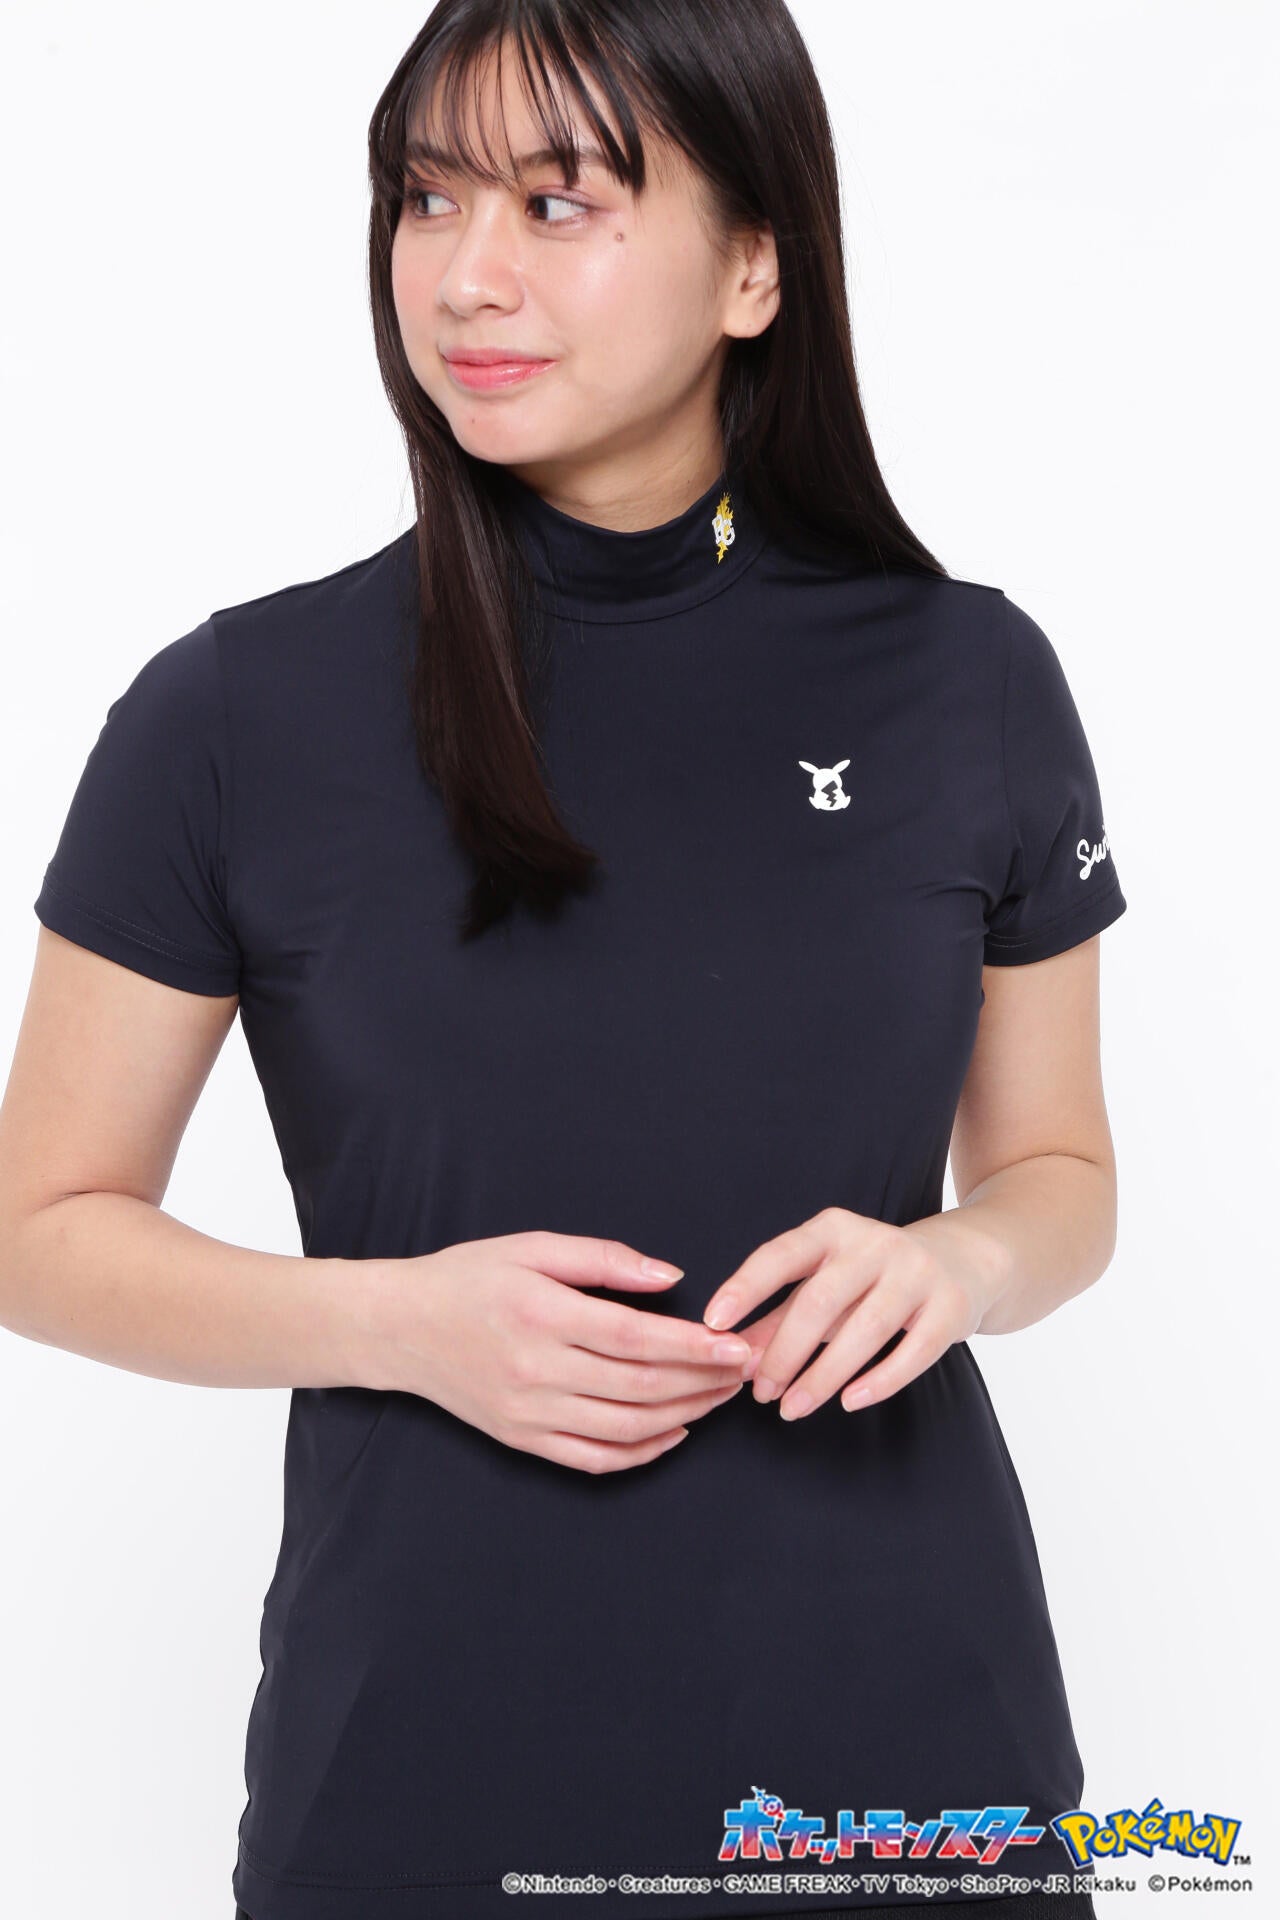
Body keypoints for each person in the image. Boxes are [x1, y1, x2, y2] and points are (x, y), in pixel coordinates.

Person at [0, 3, 1129, 1918]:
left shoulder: (970, 679)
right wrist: (396, 1325)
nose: (467, 275)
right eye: (426, 197)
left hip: (904, 1777)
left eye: (557, 201)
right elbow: (38, 1227)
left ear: (756, 265)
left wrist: (960, 1262)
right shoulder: (233, 713)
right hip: (417, 1782)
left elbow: (1061, 1174)